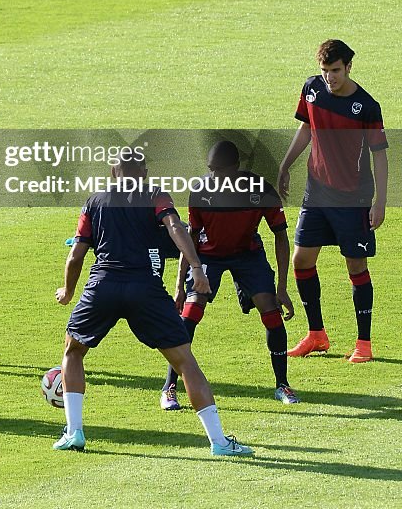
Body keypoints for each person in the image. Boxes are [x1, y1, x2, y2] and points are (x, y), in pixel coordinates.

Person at [54, 156, 253, 456]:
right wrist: (196, 268)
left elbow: (76, 255)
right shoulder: (155, 195)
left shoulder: (94, 201)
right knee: (185, 362)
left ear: (112, 173)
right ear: (145, 173)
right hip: (145, 290)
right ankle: (220, 442)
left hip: (103, 287)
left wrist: (67, 291)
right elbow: (175, 226)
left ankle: (74, 432)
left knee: (73, 351)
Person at [160, 141, 299, 412]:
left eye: (218, 171)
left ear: (235, 168)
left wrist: (281, 288)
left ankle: (282, 384)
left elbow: (280, 235)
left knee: (270, 310)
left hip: (247, 254)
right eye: (210, 170)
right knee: (189, 315)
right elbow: (190, 239)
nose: (213, 177)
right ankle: (169, 388)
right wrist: (179, 287)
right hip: (208, 256)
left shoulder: (260, 191)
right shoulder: (200, 191)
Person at [277, 39, 388, 364]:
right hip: (316, 193)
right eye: (325, 71)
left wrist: (380, 201)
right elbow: (306, 128)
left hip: (353, 198)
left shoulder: (366, 105)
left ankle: (363, 342)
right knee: (301, 261)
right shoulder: (312, 89)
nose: (330, 78)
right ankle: (316, 335)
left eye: (335, 71)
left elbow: (380, 156)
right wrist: (285, 165)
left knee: (355, 265)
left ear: (349, 67)